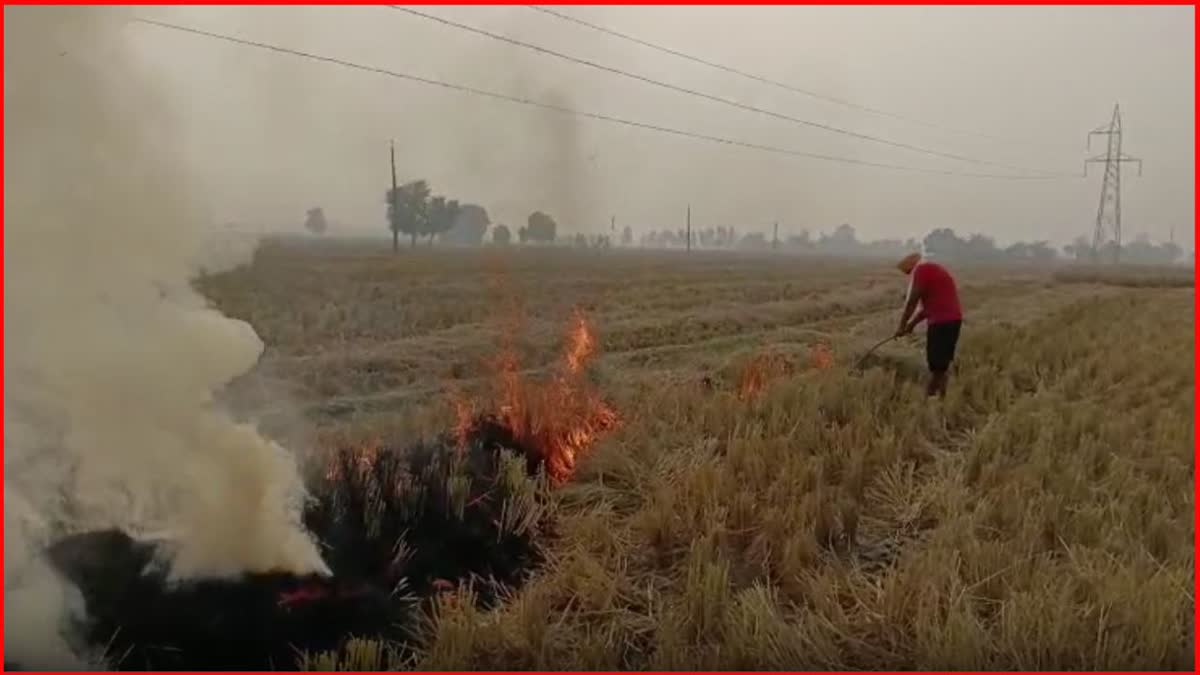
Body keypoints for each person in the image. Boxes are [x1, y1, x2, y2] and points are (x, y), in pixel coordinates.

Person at [894, 252, 962, 398]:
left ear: (910, 266)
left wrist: (901, 326)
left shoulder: (921, 270)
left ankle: (928, 400)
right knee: (942, 366)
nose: (907, 276)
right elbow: (929, 307)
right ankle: (941, 399)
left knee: (936, 366)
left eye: (906, 271)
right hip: (953, 320)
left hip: (942, 323)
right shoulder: (932, 270)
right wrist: (911, 325)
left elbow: (912, 301)